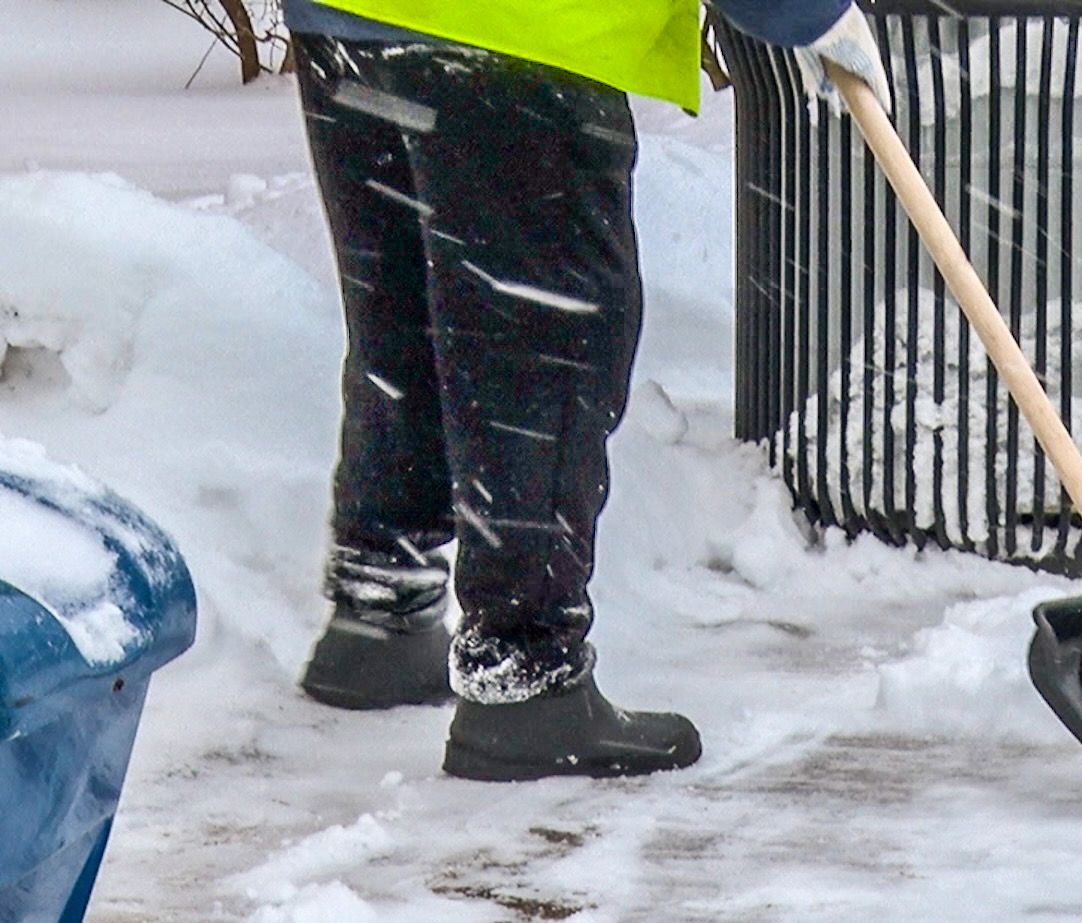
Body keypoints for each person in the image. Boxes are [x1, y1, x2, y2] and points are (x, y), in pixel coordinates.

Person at [285, 0, 891, 780]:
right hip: (521, 28)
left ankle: (380, 612)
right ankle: (525, 678)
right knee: (543, 347)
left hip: (347, 21)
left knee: (403, 317)